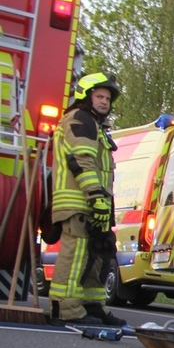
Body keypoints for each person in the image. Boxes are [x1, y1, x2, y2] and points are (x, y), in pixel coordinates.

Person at [47, 73, 124, 327]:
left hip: (95, 202)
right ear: (86, 96)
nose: (104, 101)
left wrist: (102, 201)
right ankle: (65, 308)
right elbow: (82, 160)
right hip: (80, 201)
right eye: (99, 96)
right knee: (77, 252)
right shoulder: (80, 119)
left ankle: (92, 305)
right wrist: (95, 196)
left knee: (100, 252)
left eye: (108, 98)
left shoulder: (95, 125)